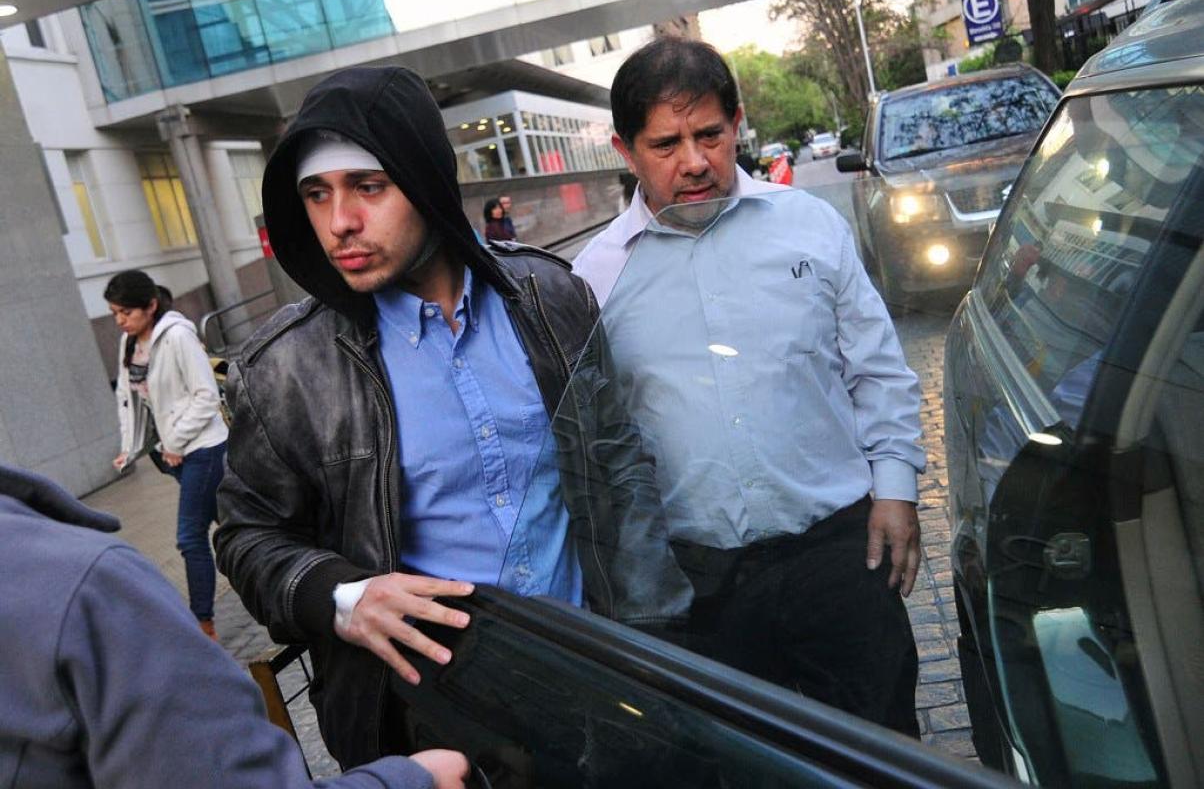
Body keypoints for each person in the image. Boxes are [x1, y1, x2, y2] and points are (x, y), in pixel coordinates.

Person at [214, 65, 688, 769]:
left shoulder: (551, 299)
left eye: (367, 187)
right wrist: (342, 595)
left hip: (596, 682)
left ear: (425, 179)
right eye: (317, 195)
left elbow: (619, 468)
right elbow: (247, 535)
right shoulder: (286, 370)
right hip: (435, 722)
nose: (340, 222)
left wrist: (657, 651)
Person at [571, 37, 926, 736]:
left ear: (737, 123)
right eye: (665, 144)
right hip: (698, 587)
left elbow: (878, 368)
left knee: (881, 747)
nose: (694, 161)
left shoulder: (810, 227)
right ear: (625, 151)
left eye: (709, 134)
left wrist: (896, 490)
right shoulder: (592, 279)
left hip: (840, 554)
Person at [0, 462, 468, 789]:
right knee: (191, 535)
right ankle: (203, 619)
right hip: (414, 704)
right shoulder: (90, 587)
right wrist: (411, 781)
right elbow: (248, 534)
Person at [107, 269, 228, 641]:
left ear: (150, 305)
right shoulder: (129, 343)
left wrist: (175, 441)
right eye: (114, 313)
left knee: (190, 537)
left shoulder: (177, 336)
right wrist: (130, 448)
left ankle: (203, 625)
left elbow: (206, 396)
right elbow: (129, 399)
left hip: (203, 448)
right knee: (233, 527)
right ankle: (268, 580)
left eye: (126, 312)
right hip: (170, 455)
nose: (120, 320)